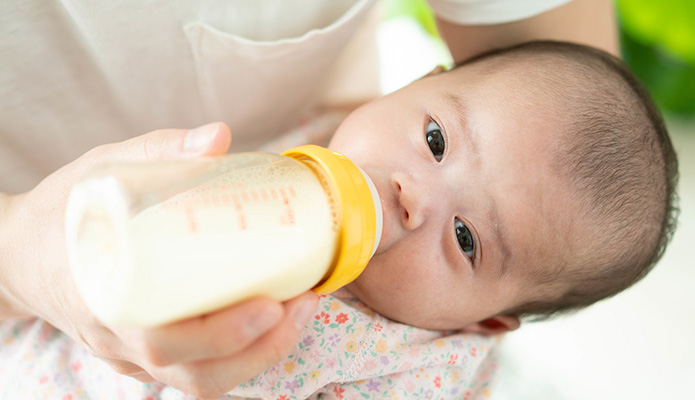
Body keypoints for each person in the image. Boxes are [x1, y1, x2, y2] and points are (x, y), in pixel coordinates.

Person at [0, 0, 620, 398]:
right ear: (415, 83)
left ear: (481, 321)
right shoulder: (315, 152)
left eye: (466, 239)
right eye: (434, 139)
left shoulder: (413, 372)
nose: (411, 196)